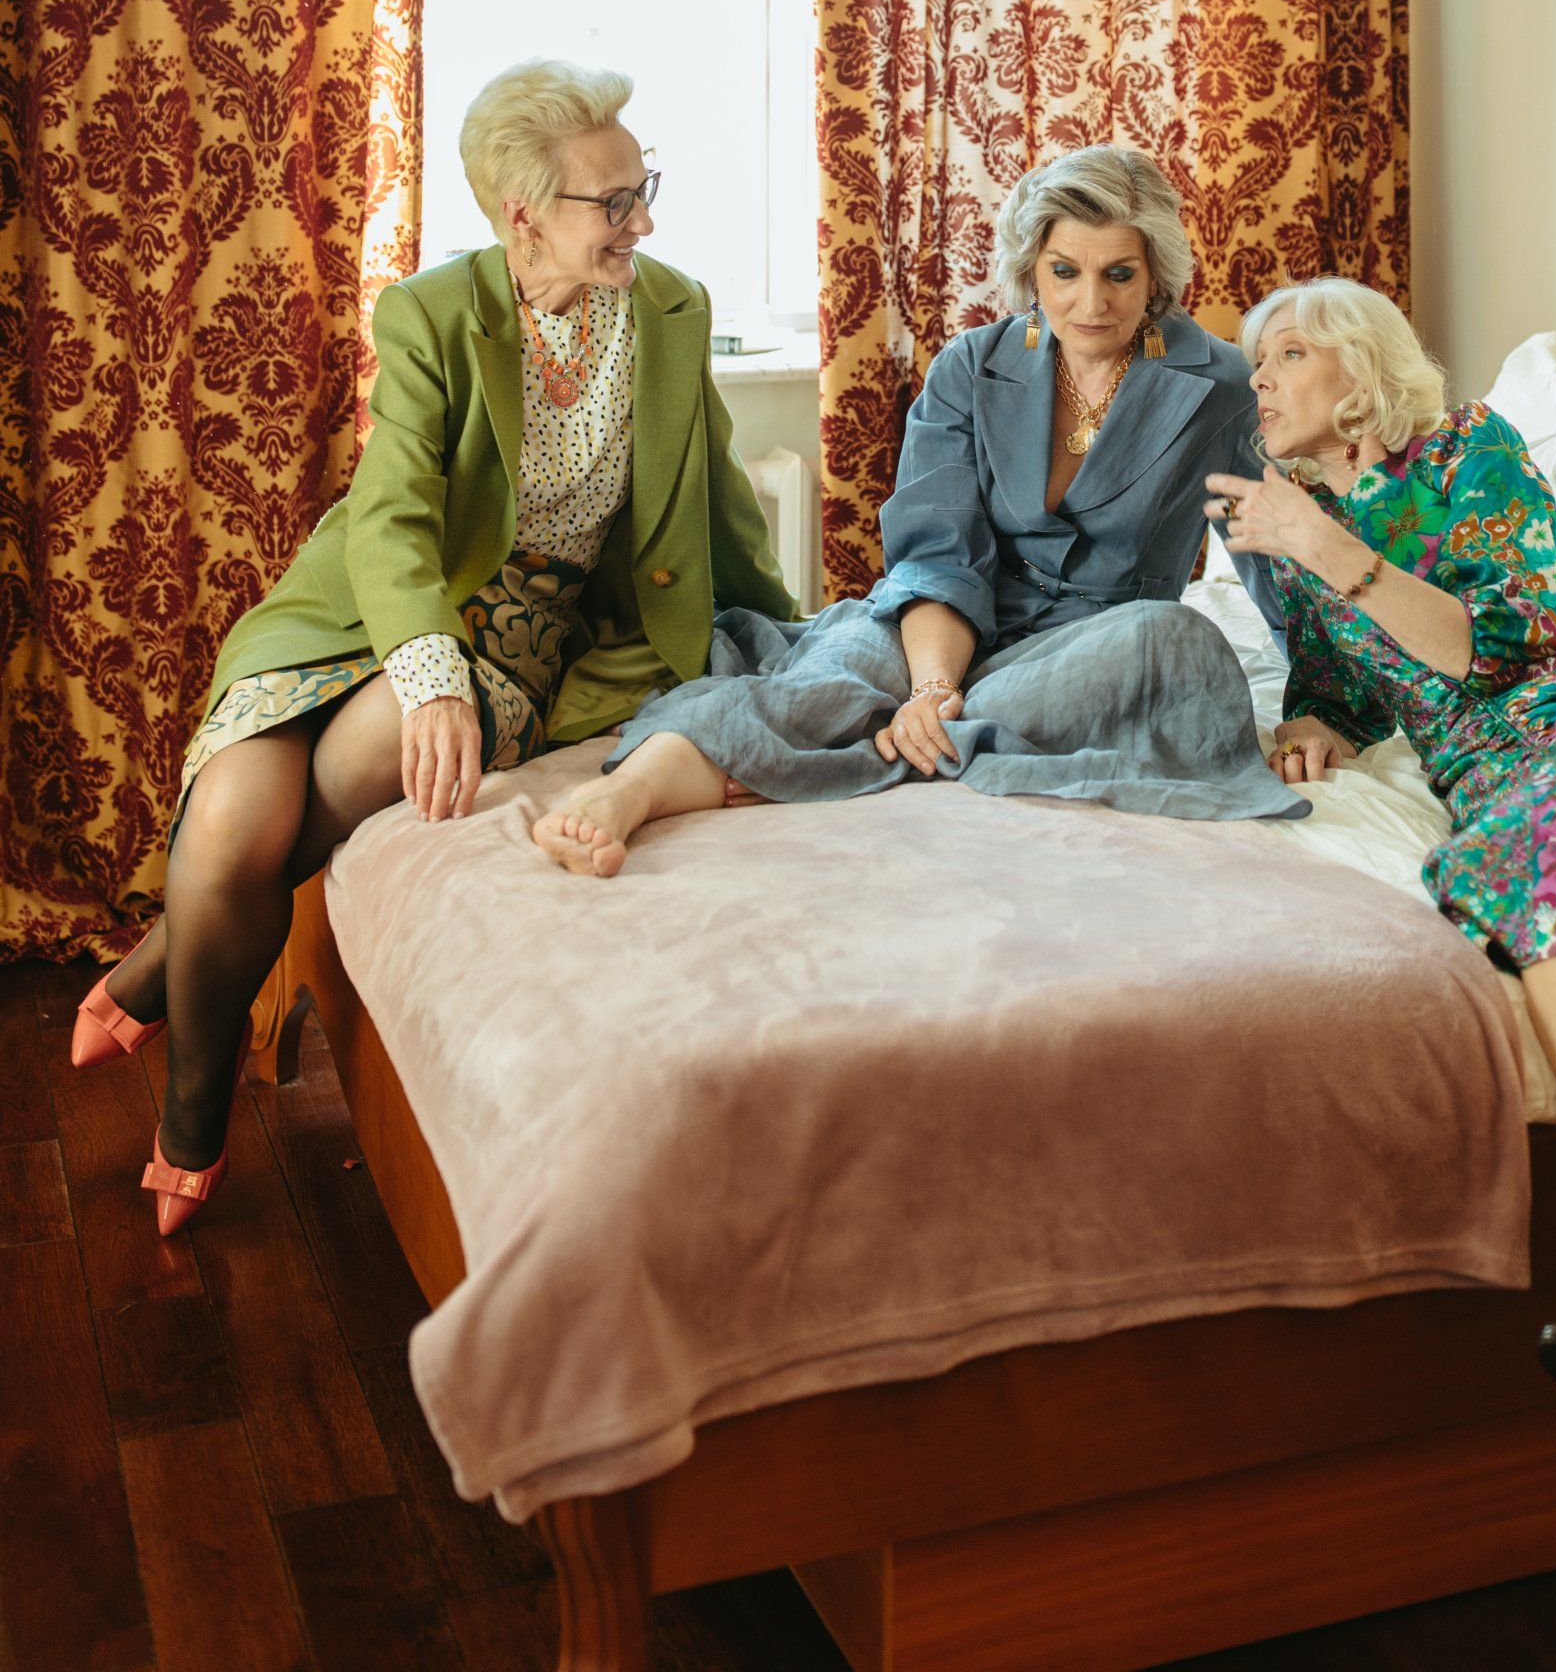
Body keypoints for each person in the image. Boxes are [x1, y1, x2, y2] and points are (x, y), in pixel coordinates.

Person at [70, 61, 794, 1233]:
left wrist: (791, 639)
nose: (641, 221)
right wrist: (428, 673)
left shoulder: (671, 311)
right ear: (524, 215)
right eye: (612, 201)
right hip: (367, 606)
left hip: (532, 632)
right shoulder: (431, 312)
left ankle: (167, 1023)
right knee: (231, 818)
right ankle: (192, 1080)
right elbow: (394, 515)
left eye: (642, 188)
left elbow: (714, 496)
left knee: (353, 769)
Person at [1207, 277, 1556, 1447]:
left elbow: (1490, 647)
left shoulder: (1471, 449)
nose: (1257, 380)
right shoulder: (1292, 521)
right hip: (1497, 768)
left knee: (1550, 847)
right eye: (1254, 363)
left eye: (1287, 355)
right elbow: (1345, 685)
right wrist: (1319, 722)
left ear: (1360, 366)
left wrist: (1326, 546)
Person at [530, 144, 1306, 875]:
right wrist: (932, 687)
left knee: (1173, 639)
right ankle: (634, 788)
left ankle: (842, 753)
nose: (1090, 302)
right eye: (1065, 271)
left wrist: (1323, 706)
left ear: (1157, 276)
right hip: (942, 623)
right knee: (845, 670)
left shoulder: (1222, 384)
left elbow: (1278, 555)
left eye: (1120, 275)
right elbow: (938, 551)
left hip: (1097, 647)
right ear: (1032, 268)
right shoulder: (971, 366)